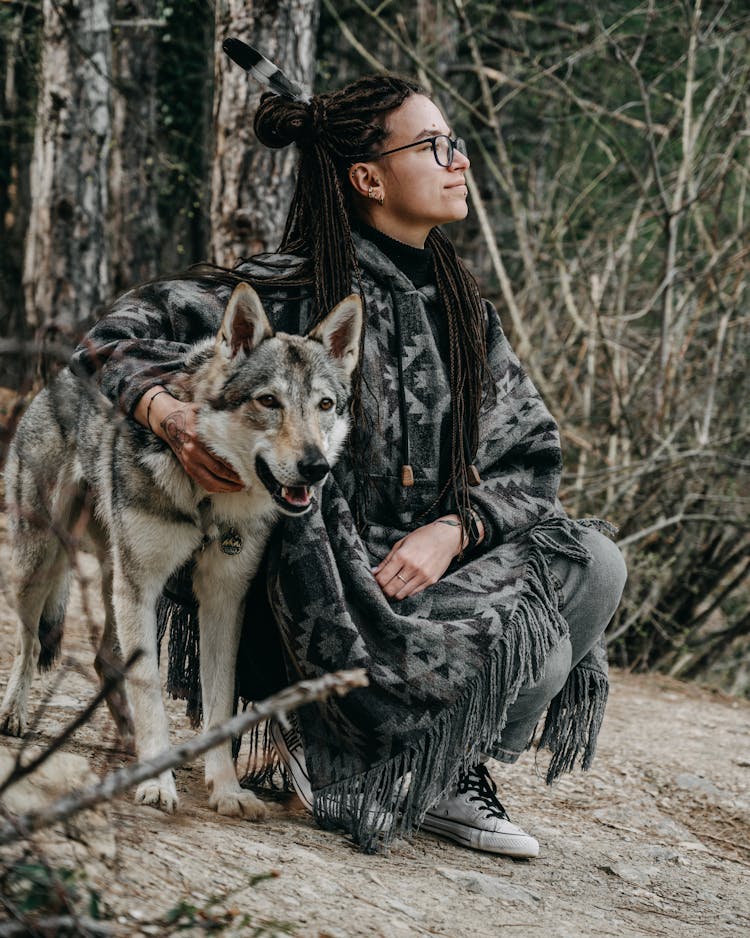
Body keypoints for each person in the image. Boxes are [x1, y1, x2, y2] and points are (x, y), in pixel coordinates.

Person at [71, 74, 627, 856]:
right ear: (367, 178)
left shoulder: (466, 314)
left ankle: (440, 768)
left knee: (594, 566)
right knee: (543, 653)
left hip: (421, 578)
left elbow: (531, 459)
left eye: (455, 143)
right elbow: (110, 336)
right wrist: (171, 416)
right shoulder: (285, 293)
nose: (457, 160)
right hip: (318, 600)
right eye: (434, 146)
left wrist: (452, 531)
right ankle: (318, 738)